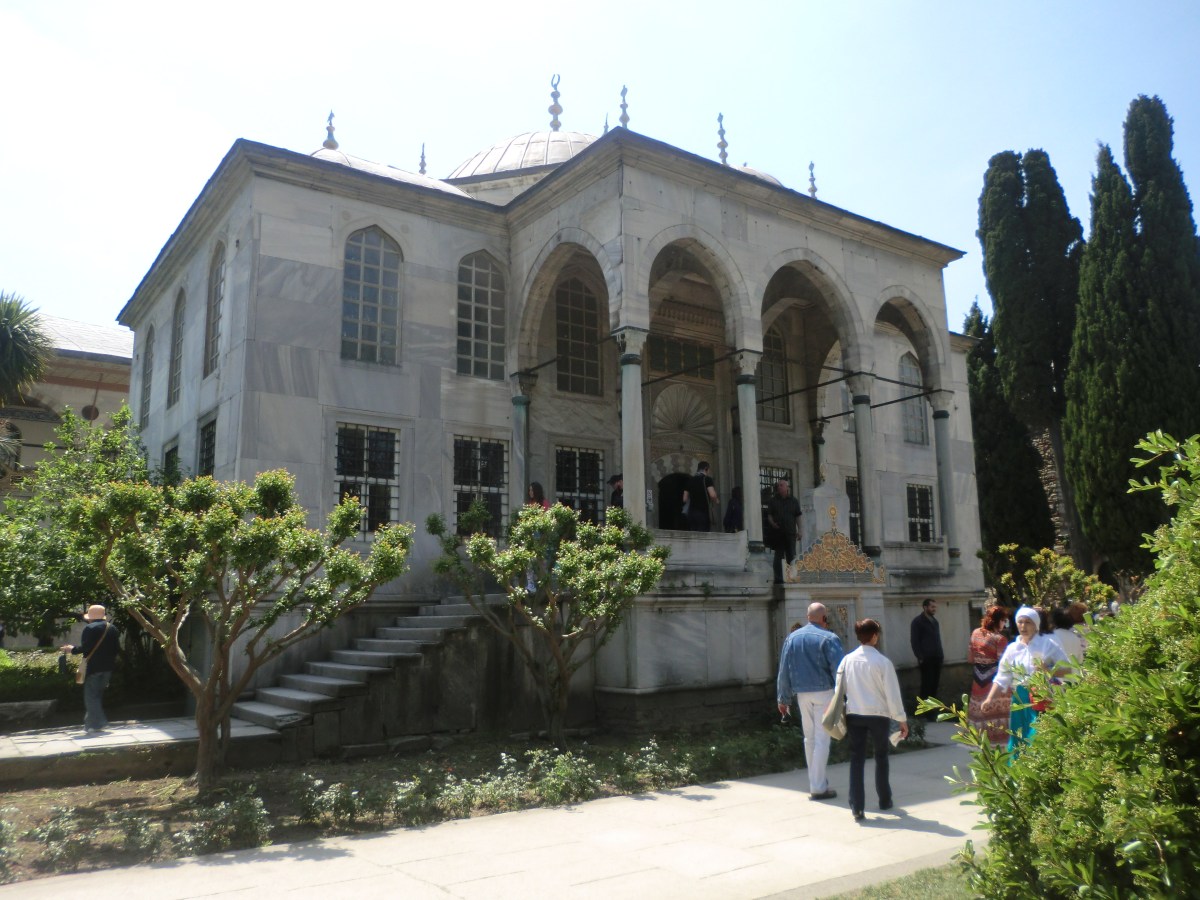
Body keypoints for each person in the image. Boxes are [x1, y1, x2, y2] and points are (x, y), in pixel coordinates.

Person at [836, 618, 909, 821]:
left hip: (855, 713)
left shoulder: (847, 660)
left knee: (856, 759)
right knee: (881, 757)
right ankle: (885, 800)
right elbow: (893, 694)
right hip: (879, 715)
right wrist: (901, 719)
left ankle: (857, 806)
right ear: (874, 636)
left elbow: (839, 689)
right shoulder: (883, 662)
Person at [776, 602, 844, 801]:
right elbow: (839, 669)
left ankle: (815, 782)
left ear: (807, 617)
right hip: (824, 692)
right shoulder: (829, 638)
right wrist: (844, 697)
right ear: (824, 619)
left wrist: (783, 698)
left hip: (802, 694)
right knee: (823, 739)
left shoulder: (792, 638)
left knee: (809, 738)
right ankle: (818, 786)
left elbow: (784, 670)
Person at [983, 605, 1069, 754]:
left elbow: (1068, 669)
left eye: (1028, 622)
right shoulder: (1013, 649)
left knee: (1037, 736)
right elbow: (1002, 677)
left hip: (1042, 696)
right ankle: (1018, 774)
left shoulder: (1047, 644)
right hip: (1020, 698)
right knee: (1019, 737)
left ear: (1036, 625)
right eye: (1020, 622)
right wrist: (989, 699)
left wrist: (1047, 670)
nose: (1023, 626)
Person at [60, 604, 121, 734]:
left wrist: (72, 649)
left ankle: (101, 723)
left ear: (90, 617)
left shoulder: (90, 628)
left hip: (93, 668)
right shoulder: (113, 628)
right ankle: (90, 726)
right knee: (96, 697)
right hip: (108, 668)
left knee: (91, 697)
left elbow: (86, 648)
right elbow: (117, 649)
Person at [966, 605, 1010, 744]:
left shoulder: (975, 633)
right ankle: (997, 745)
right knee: (996, 716)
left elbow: (970, 659)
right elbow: (1004, 664)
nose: (1005, 623)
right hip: (994, 684)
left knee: (978, 714)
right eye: (1004, 620)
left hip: (977, 681)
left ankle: (978, 745)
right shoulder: (999, 639)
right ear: (999, 621)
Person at [909, 598, 944, 715]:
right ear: (925, 607)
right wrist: (920, 657)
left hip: (937, 657)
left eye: (935, 607)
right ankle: (924, 713)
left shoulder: (935, 621)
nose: (934, 609)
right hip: (926, 659)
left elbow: (937, 640)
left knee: (934, 686)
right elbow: (914, 641)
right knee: (926, 686)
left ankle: (932, 711)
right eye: (932, 607)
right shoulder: (917, 622)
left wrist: (941, 655)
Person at [766, 479, 801, 584]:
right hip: (778, 533)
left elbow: (798, 516)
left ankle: (792, 577)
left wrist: (800, 530)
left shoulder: (794, 501)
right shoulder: (773, 500)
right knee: (778, 556)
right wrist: (773, 524)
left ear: (787, 487)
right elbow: (769, 515)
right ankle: (779, 578)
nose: (779, 487)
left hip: (790, 533)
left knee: (791, 555)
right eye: (778, 485)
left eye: (781, 485)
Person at [682, 461, 718, 532]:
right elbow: (712, 495)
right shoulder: (707, 479)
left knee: (694, 534)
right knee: (703, 535)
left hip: (691, 514)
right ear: (706, 468)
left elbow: (684, 499)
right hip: (703, 513)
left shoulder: (690, 481)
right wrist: (716, 500)